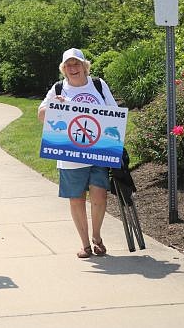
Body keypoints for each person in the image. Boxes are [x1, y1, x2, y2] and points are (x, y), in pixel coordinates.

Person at [38, 48, 118, 258]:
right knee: (77, 199)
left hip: (98, 150)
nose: (73, 68)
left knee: (100, 195)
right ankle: (85, 244)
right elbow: (41, 115)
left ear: (85, 66)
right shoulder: (58, 89)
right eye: (68, 65)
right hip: (70, 153)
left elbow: (114, 112)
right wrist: (55, 106)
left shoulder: (98, 85)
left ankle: (97, 237)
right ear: (64, 69)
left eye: (77, 64)